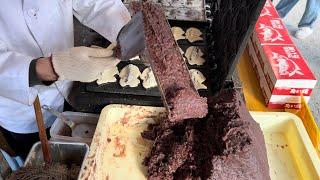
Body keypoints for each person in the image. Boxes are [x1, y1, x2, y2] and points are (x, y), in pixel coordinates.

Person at [0, 0, 130, 159]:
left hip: (71, 83)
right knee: (46, 162)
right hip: (20, 106)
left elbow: (97, 3)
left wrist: (125, 32)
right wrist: (53, 68)